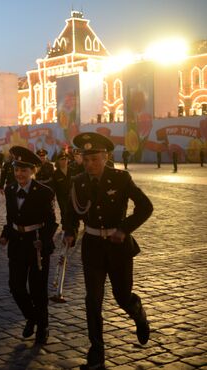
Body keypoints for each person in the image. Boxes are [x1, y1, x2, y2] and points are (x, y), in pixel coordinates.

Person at [63, 132, 153, 370]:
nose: (90, 164)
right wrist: (70, 231)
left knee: (122, 296)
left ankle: (138, 313)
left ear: (106, 157)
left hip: (118, 248)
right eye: (86, 158)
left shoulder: (121, 178)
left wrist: (124, 229)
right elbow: (71, 213)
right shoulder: (78, 182)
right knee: (93, 301)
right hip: (92, 247)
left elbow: (145, 207)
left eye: (95, 159)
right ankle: (96, 354)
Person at [0, 146, 57, 345]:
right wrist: (5, 234)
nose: (19, 174)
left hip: (37, 245)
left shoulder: (44, 192)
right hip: (16, 244)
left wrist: (46, 240)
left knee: (38, 290)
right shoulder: (10, 189)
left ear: (33, 171)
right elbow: (10, 217)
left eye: (24, 170)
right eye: (16, 170)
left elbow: (52, 222)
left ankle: (43, 326)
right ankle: (32, 317)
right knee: (15, 287)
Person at [52, 152, 72, 227]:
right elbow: (54, 186)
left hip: (72, 195)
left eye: (65, 159)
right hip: (61, 196)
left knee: (72, 211)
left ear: (67, 160)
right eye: (61, 159)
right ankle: (65, 225)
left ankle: (73, 225)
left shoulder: (72, 170)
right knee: (64, 211)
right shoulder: (55, 173)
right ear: (58, 161)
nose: (64, 161)